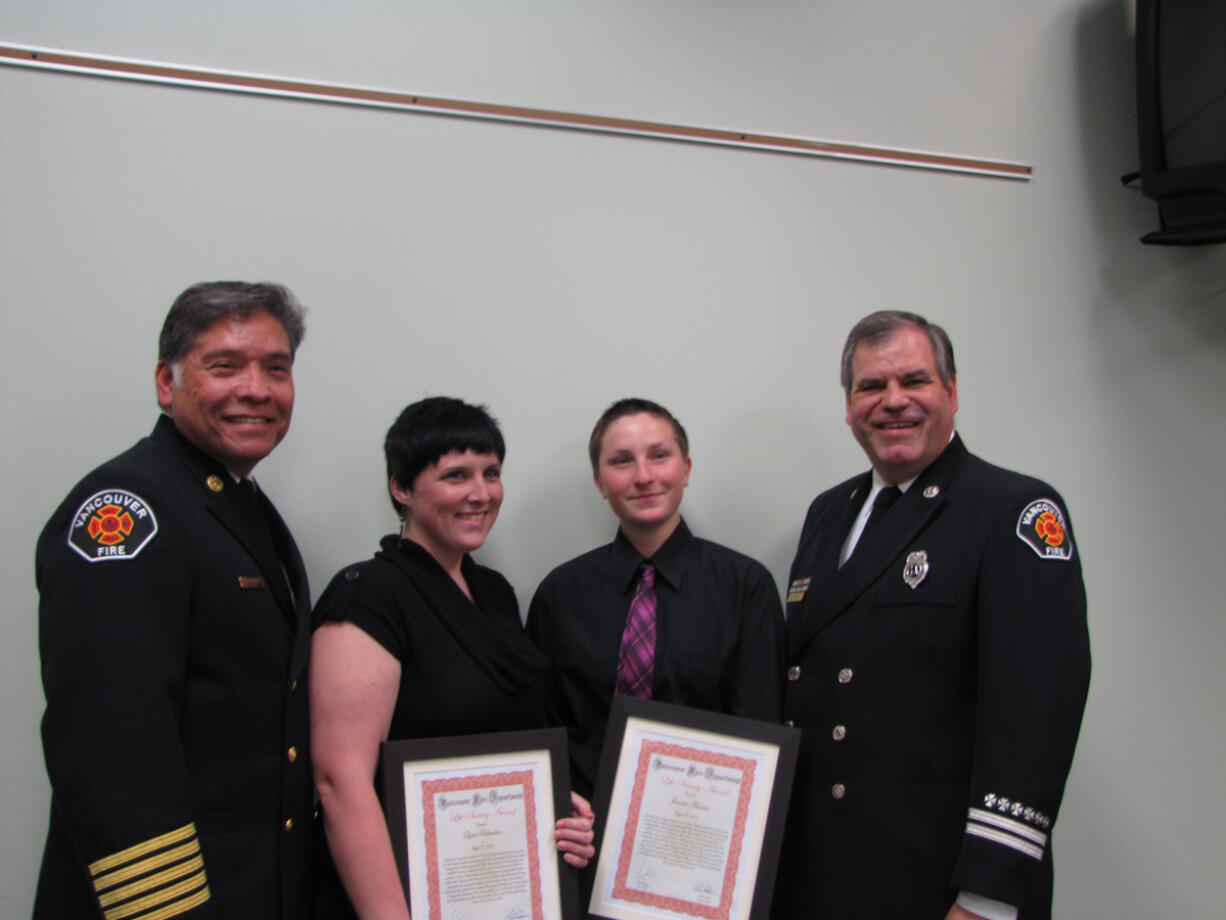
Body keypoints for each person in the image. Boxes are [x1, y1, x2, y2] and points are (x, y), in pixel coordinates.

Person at [774, 311, 1091, 920]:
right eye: (871, 387)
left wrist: (987, 896)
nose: (893, 402)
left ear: (950, 391)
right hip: (821, 871)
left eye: (914, 381)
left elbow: (1037, 714)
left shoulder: (1014, 510)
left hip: (938, 883)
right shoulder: (827, 513)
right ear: (848, 405)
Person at [34, 281, 314, 919]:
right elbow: (110, 744)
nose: (256, 388)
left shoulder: (232, 504)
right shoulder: (126, 508)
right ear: (167, 382)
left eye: (277, 369)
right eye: (225, 366)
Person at [309, 396, 594, 920]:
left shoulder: (495, 594)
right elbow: (340, 784)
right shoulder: (368, 595)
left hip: (501, 890)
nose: (481, 494)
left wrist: (559, 805)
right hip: (405, 895)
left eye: (492, 472)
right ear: (401, 487)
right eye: (456, 475)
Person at [526, 398, 785, 801]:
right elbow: (543, 730)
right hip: (583, 836)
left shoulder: (746, 588)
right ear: (599, 481)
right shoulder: (559, 595)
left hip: (700, 830)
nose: (643, 476)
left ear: (686, 470)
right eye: (622, 461)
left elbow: (759, 732)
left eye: (659, 456)